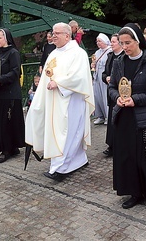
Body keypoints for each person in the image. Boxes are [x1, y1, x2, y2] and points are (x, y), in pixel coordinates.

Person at [109, 23, 146, 209]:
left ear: (138, 41)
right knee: (127, 156)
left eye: (128, 43)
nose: (125, 47)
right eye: (122, 43)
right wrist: (117, 98)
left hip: (142, 117)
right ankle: (134, 192)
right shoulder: (118, 62)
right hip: (123, 117)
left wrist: (135, 100)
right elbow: (111, 87)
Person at [25, 22, 95, 181]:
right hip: (53, 100)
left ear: (67, 35)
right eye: (53, 32)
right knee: (62, 132)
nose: (53, 35)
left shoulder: (78, 53)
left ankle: (60, 168)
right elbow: (45, 77)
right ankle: (79, 160)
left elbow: (80, 77)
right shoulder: (54, 53)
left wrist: (59, 83)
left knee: (67, 132)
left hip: (71, 100)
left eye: (57, 33)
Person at [0, 28, 25, 163]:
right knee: (0, 122)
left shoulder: (13, 53)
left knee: (7, 122)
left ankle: (7, 150)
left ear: (6, 38)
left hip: (9, 93)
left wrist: (0, 80)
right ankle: (10, 147)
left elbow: (15, 72)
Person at [101, 34, 124, 157]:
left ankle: (120, 145)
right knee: (111, 119)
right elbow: (104, 73)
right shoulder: (110, 56)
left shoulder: (124, 57)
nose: (111, 44)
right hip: (111, 92)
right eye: (111, 41)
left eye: (114, 42)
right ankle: (111, 144)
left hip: (122, 92)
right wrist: (106, 78)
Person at [92, 33, 112, 125]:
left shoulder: (109, 51)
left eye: (99, 41)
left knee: (105, 95)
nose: (98, 43)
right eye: (97, 41)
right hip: (97, 75)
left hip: (103, 75)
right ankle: (100, 115)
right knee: (97, 95)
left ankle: (108, 116)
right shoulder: (97, 52)